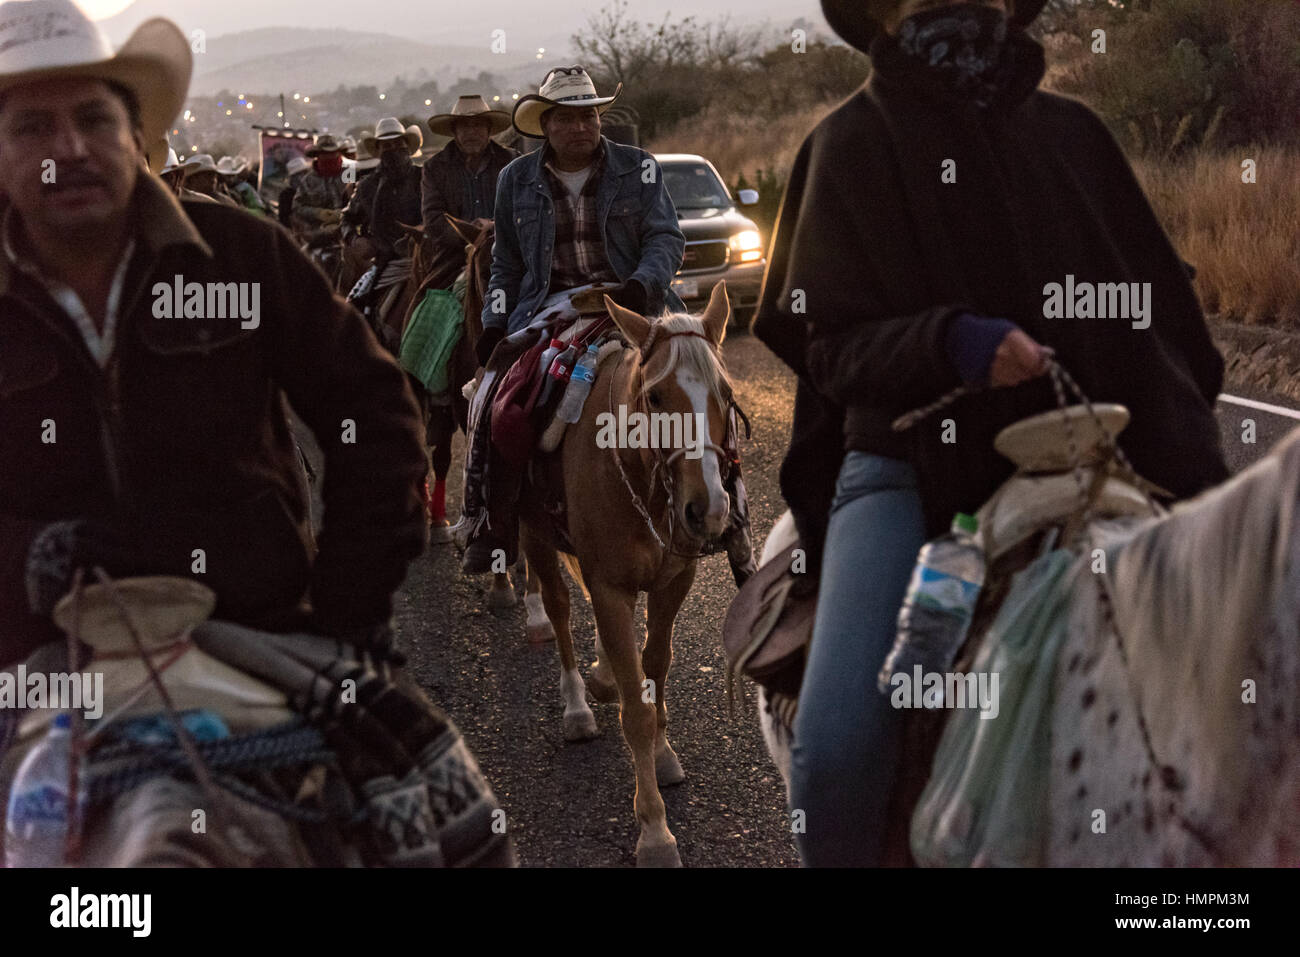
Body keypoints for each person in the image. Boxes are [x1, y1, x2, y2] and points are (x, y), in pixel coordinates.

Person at [752, 0, 1230, 866]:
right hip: (905, 471)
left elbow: (1160, 323)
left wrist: (1198, 480)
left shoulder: (1072, 136)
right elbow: (829, 348)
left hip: (1081, 459)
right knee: (840, 750)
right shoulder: (848, 144)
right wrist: (947, 341)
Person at [0, 1, 429, 672]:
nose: (70, 150)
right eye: (32, 127)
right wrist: (30, 556)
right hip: (37, 660)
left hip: (257, 635)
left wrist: (347, 611)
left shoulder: (239, 253)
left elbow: (373, 413)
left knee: (430, 781)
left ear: (132, 134)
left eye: (92, 119)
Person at [462, 66, 756, 585]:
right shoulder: (516, 180)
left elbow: (667, 238)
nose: (582, 127)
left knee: (707, 390)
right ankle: (492, 524)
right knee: (491, 397)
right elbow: (506, 263)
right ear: (545, 125)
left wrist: (641, 286)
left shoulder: (638, 168)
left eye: (591, 116)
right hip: (552, 306)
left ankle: (736, 524)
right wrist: (494, 319)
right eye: (569, 118)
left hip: (635, 302)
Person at [420, 94, 517, 256]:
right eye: (464, 127)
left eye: (478, 125)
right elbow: (432, 218)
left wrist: (493, 227)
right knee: (433, 282)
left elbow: (525, 207)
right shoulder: (435, 167)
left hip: (507, 249)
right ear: (454, 132)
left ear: (489, 130)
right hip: (454, 253)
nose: (472, 133)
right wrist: (468, 233)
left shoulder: (511, 161)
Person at [291, 132, 348, 244]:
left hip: (347, 231)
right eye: (325, 153)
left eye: (333, 153)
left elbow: (359, 200)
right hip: (318, 235)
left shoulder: (350, 173)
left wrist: (344, 213)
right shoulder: (308, 180)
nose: (330, 156)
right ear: (317, 155)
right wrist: (318, 213)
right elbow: (297, 207)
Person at [278, 153, 312, 230]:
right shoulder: (286, 195)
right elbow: (284, 219)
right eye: (299, 175)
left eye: (305, 173)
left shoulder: (313, 190)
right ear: (292, 179)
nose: (303, 177)